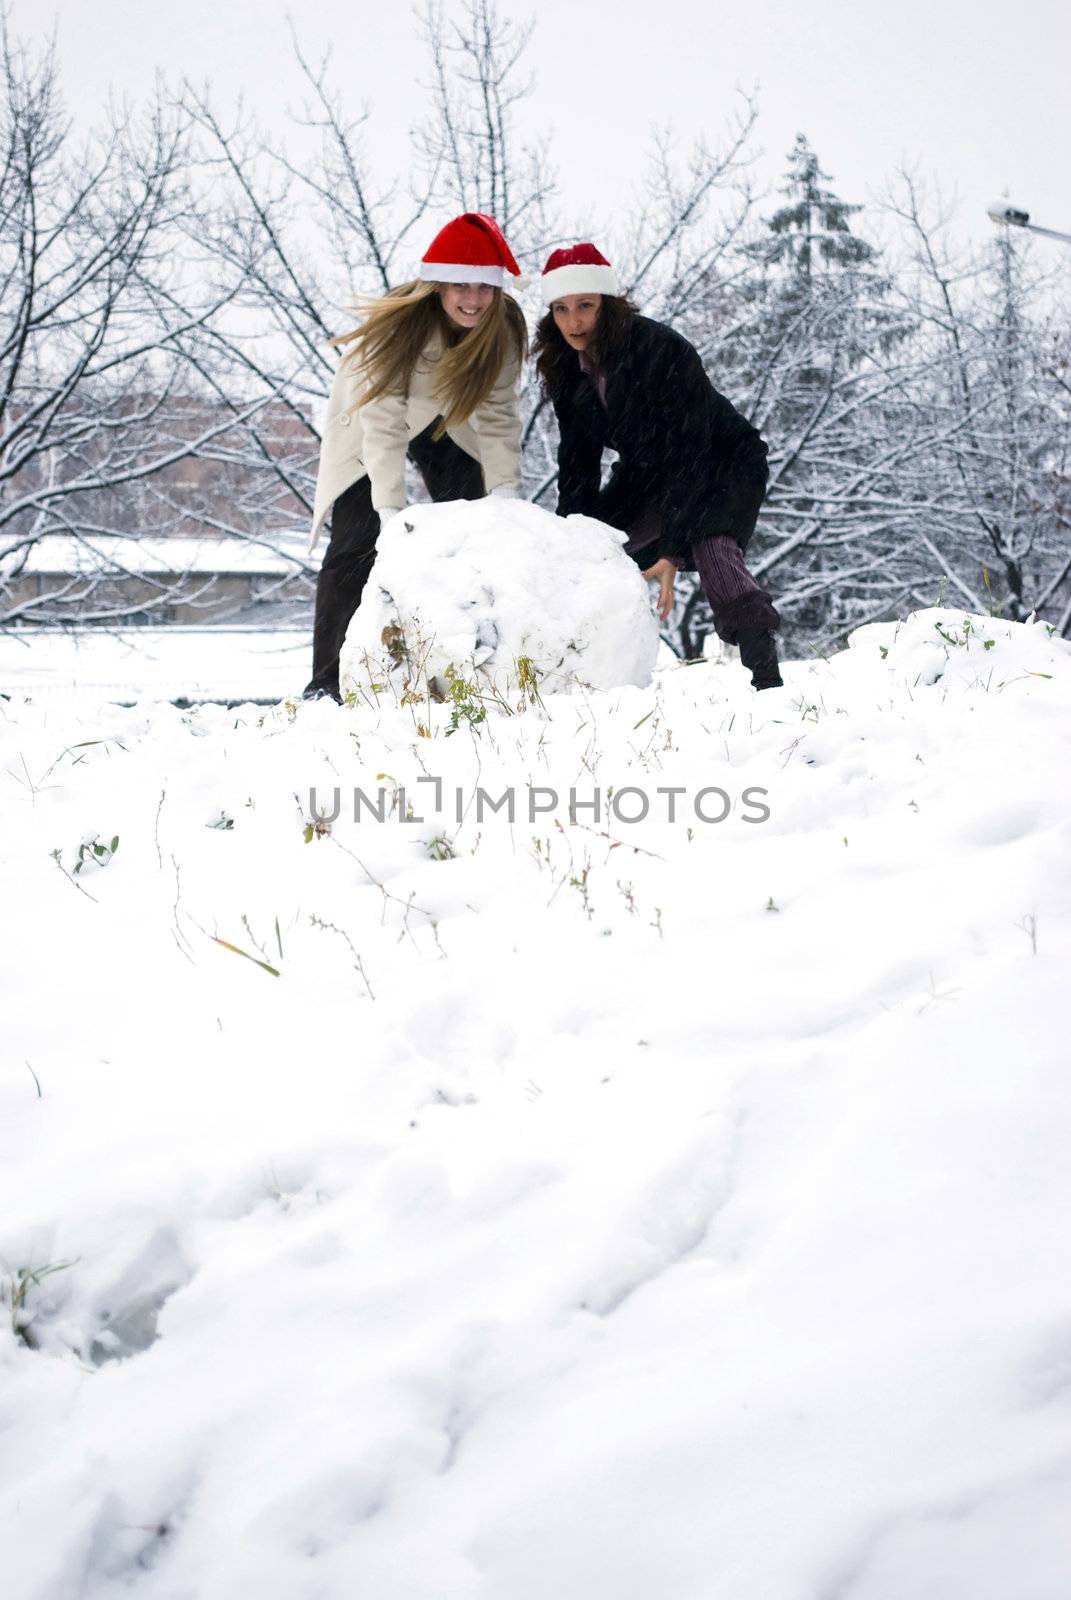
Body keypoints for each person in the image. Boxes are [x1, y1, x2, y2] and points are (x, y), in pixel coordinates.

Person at [533, 243, 783, 689]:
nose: (573, 322)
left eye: (585, 306)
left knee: (712, 545)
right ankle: (570, 665)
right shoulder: (565, 367)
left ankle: (766, 678)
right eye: (561, 309)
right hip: (647, 470)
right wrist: (570, 531)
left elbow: (689, 451)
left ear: (607, 305)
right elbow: (577, 461)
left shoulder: (659, 349)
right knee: (591, 544)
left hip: (722, 459)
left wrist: (671, 550)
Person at [304, 213, 528, 699]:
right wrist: (389, 509)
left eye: (484, 288)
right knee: (355, 541)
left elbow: (498, 417)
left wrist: (505, 493)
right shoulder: (401, 328)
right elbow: (382, 424)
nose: (473, 300)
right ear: (439, 286)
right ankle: (326, 683)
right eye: (461, 287)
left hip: (450, 420)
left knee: (470, 527)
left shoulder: (502, 328)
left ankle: (460, 668)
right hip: (369, 416)